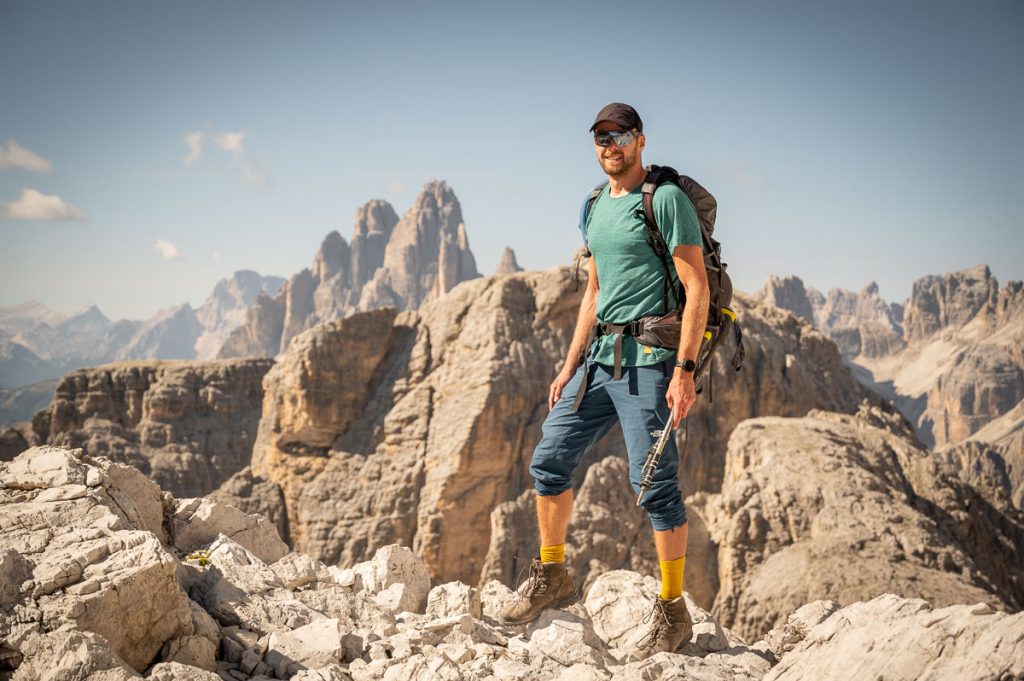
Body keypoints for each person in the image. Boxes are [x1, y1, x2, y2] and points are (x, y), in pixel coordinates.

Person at [499, 102, 709, 659]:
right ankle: (552, 576)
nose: (608, 144)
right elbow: (593, 292)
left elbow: (698, 291)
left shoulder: (664, 201)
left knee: (654, 484)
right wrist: (569, 365)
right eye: (600, 137)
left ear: (641, 141)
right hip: (597, 361)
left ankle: (673, 610)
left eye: (618, 135)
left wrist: (685, 370)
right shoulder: (593, 204)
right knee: (548, 461)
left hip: (649, 364)